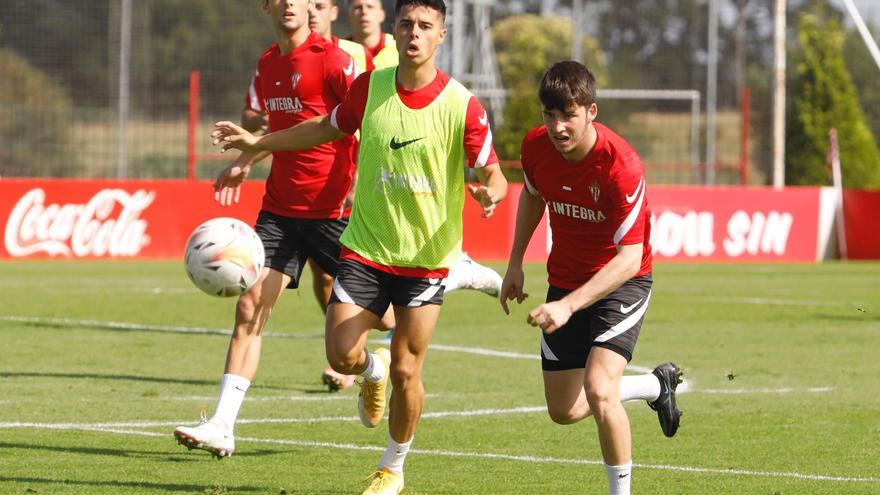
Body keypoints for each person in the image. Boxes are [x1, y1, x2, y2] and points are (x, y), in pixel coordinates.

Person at [211, 2, 507, 493]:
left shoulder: (462, 105)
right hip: (366, 247)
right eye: (407, 24)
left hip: (425, 258)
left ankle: (392, 466)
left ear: (442, 36)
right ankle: (373, 368)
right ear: (396, 31)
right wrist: (255, 144)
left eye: (425, 27)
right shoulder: (370, 88)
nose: (414, 34)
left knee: (409, 372)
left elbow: (493, 172)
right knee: (342, 355)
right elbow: (321, 128)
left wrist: (490, 195)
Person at [172, 0, 362, 458]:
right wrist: (244, 162)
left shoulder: (336, 61)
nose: (291, 5)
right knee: (251, 307)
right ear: (268, 6)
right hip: (280, 212)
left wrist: (364, 187)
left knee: (386, 320)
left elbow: (357, 125)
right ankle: (222, 424)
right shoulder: (268, 63)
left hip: (336, 211)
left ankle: (375, 368)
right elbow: (279, 132)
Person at [499, 61, 683, 495]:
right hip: (565, 280)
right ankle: (654, 385)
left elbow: (628, 258)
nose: (558, 127)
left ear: (591, 112)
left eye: (569, 115)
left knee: (600, 390)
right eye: (549, 115)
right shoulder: (535, 147)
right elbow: (531, 196)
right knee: (563, 410)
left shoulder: (621, 166)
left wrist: (568, 305)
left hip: (623, 283)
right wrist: (514, 262)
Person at [347, 0, 398, 70]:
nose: (364, 11)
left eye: (369, 6)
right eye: (358, 7)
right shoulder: (341, 52)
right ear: (349, 15)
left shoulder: (398, 47)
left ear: (381, 15)